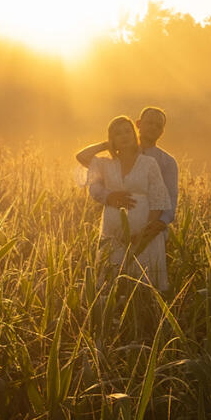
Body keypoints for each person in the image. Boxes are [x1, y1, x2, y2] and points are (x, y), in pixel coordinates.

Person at [76, 106, 177, 292]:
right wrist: (109, 144)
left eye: (158, 125)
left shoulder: (162, 162)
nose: (153, 128)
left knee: (142, 287)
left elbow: (166, 199)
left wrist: (151, 229)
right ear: (139, 125)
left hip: (147, 234)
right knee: (111, 285)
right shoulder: (108, 163)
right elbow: (85, 164)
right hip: (114, 235)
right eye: (149, 123)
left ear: (163, 131)